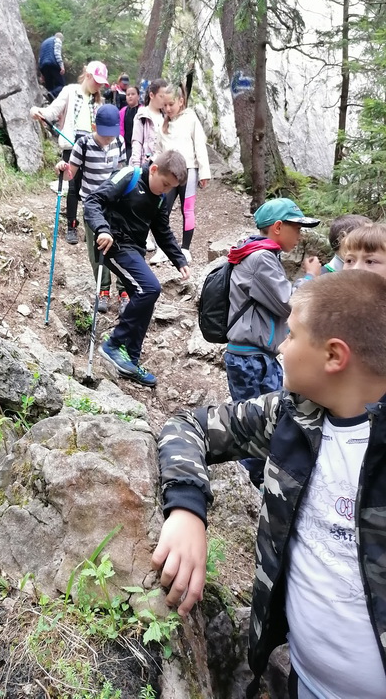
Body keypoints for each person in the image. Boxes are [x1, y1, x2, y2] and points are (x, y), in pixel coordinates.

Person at [153, 270, 386, 699]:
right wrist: (186, 508)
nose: (280, 346)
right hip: (303, 681)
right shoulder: (293, 415)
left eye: (292, 334)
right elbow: (190, 425)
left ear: (334, 355)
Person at [224, 197, 321, 486]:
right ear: (278, 227)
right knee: (255, 422)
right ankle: (251, 481)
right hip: (250, 358)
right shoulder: (262, 258)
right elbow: (288, 303)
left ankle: (258, 476)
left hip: (255, 356)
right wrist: (310, 278)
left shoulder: (260, 253)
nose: (300, 235)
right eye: (296, 228)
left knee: (269, 417)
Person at [84, 151, 189, 388]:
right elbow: (93, 200)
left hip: (135, 250)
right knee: (150, 289)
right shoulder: (129, 176)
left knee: (145, 300)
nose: (166, 191)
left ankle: (131, 359)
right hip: (113, 245)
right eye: (165, 184)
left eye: (171, 188)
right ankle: (113, 344)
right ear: (154, 170)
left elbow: (162, 230)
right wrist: (102, 229)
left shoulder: (160, 198)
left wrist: (179, 260)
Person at [55, 104, 128, 314]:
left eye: (111, 134)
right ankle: (102, 290)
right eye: (104, 134)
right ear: (95, 127)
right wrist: (62, 168)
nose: (108, 139)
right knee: (96, 250)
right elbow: (70, 174)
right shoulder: (83, 144)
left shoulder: (119, 142)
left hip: (115, 204)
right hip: (91, 205)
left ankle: (124, 292)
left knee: (120, 246)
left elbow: (122, 172)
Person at [30, 61, 109, 244]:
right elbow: (52, 111)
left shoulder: (99, 101)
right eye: (97, 81)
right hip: (71, 144)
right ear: (87, 75)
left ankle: (93, 226)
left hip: (91, 145)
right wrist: (38, 111)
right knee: (73, 188)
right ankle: (72, 226)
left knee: (92, 188)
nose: (99, 86)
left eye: (101, 83)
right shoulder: (70, 91)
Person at [150, 82, 211, 265]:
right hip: (167, 174)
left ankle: (185, 249)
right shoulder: (163, 124)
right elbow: (158, 149)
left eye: (171, 104)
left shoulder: (191, 119)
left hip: (189, 171)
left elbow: (199, 145)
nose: (168, 109)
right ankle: (162, 249)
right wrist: (153, 167)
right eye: (165, 105)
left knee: (188, 209)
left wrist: (204, 172)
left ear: (181, 101)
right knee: (162, 210)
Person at [130, 79, 169, 254]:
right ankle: (143, 236)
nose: (164, 99)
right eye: (161, 95)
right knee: (143, 200)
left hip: (163, 165)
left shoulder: (167, 116)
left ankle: (157, 237)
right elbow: (137, 141)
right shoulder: (142, 115)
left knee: (158, 202)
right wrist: (136, 165)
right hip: (146, 164)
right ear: (152, 95)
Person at [38, 32, 66, 99]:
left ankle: (49, 99)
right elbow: (57, 53)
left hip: (43, 66)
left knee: (49, 86)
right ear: (61, 38)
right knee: (61, 85)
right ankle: (53, 94)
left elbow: (40, 57)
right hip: (52, 64)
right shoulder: (57, 40)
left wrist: (42, 73)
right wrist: (62, 66)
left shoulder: (44, 43)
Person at [119, 86, 141, 165]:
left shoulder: (143, 111)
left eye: (133, 94)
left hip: (139, 147)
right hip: (126, 146)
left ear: (138, 96)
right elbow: (120, 129)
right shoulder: (122, 111)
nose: (130, 96)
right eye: (128, 95)